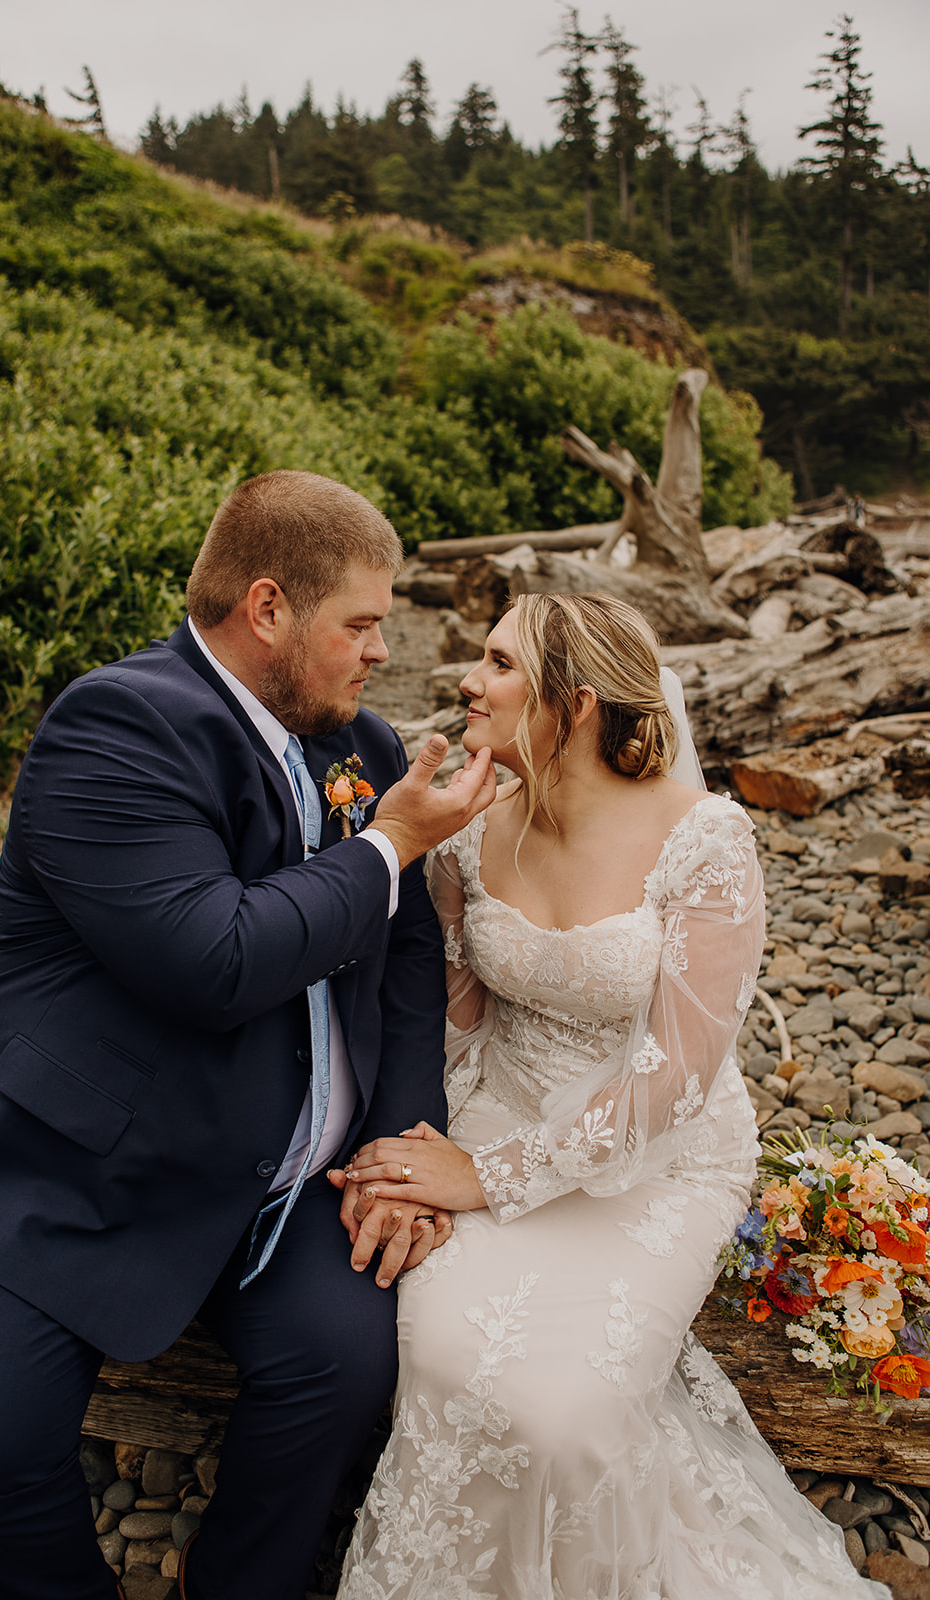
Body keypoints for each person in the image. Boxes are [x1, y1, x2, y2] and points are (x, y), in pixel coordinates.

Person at [0, 470, 496, 1600]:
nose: (380, 651)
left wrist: (404, 1138)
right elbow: (213, 957)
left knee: (339, 1367)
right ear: (266, 609)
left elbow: (407, 958)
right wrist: (386, 845)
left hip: (291, 1187)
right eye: (359, 624)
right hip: (86, 1168)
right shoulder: (118, 724)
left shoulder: (354, 739)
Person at [335, 592, 890, 1600]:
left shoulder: (706, 840)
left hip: (659, 1158)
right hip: (497, 1111)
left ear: (574, 701)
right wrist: (418, 1161)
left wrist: (487, 1177)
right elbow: (457, 1029)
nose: (467, 678)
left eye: (498, 664)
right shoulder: (466, 832)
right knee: (453, 1358)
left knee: (568, 1409)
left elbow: (677, 1073)